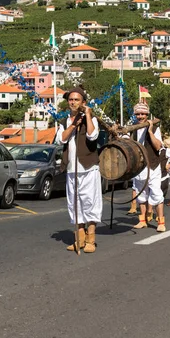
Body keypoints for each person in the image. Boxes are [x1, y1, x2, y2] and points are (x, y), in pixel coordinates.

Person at [56, 87, 102, 253]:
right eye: (71, 100)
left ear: (83, 102)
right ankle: (79, 239)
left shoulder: (92, 119)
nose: (73, 102)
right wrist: (74, 125)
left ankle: (91, 239)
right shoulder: (65, 122)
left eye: (76, 100)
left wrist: (88, 115)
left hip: (88, 168)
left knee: (90, 202)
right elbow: (61, 139)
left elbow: (92, 135)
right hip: (71, 168)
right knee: (74, 204)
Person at [131, 102, 166, 232]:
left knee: (156, 193)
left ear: (147, 114)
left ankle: (161, 221)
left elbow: (158, 146)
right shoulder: (133, 128)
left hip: (152, 165)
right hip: (139, 167)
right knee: (141, 194)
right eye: (138, 114)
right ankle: (142, 220)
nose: (140, 116)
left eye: (143, 114)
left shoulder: (155, 129)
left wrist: (150, 131)